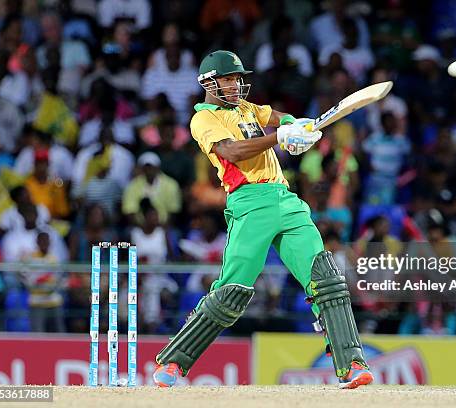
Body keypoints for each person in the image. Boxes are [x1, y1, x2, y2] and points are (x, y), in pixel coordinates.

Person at [153, 50, 373, 389]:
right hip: (249, 202)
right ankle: (172, 364)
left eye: (239, 78)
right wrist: (279, 138)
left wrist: (293, 126)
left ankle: (352, 366)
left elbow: (278, 116)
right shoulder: (203, 119)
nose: (237, 85)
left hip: (285, 199)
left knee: (326, 279)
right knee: (232, 293)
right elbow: (231, 151)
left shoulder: (246, 108)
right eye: (229, 79)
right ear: (209, 83)